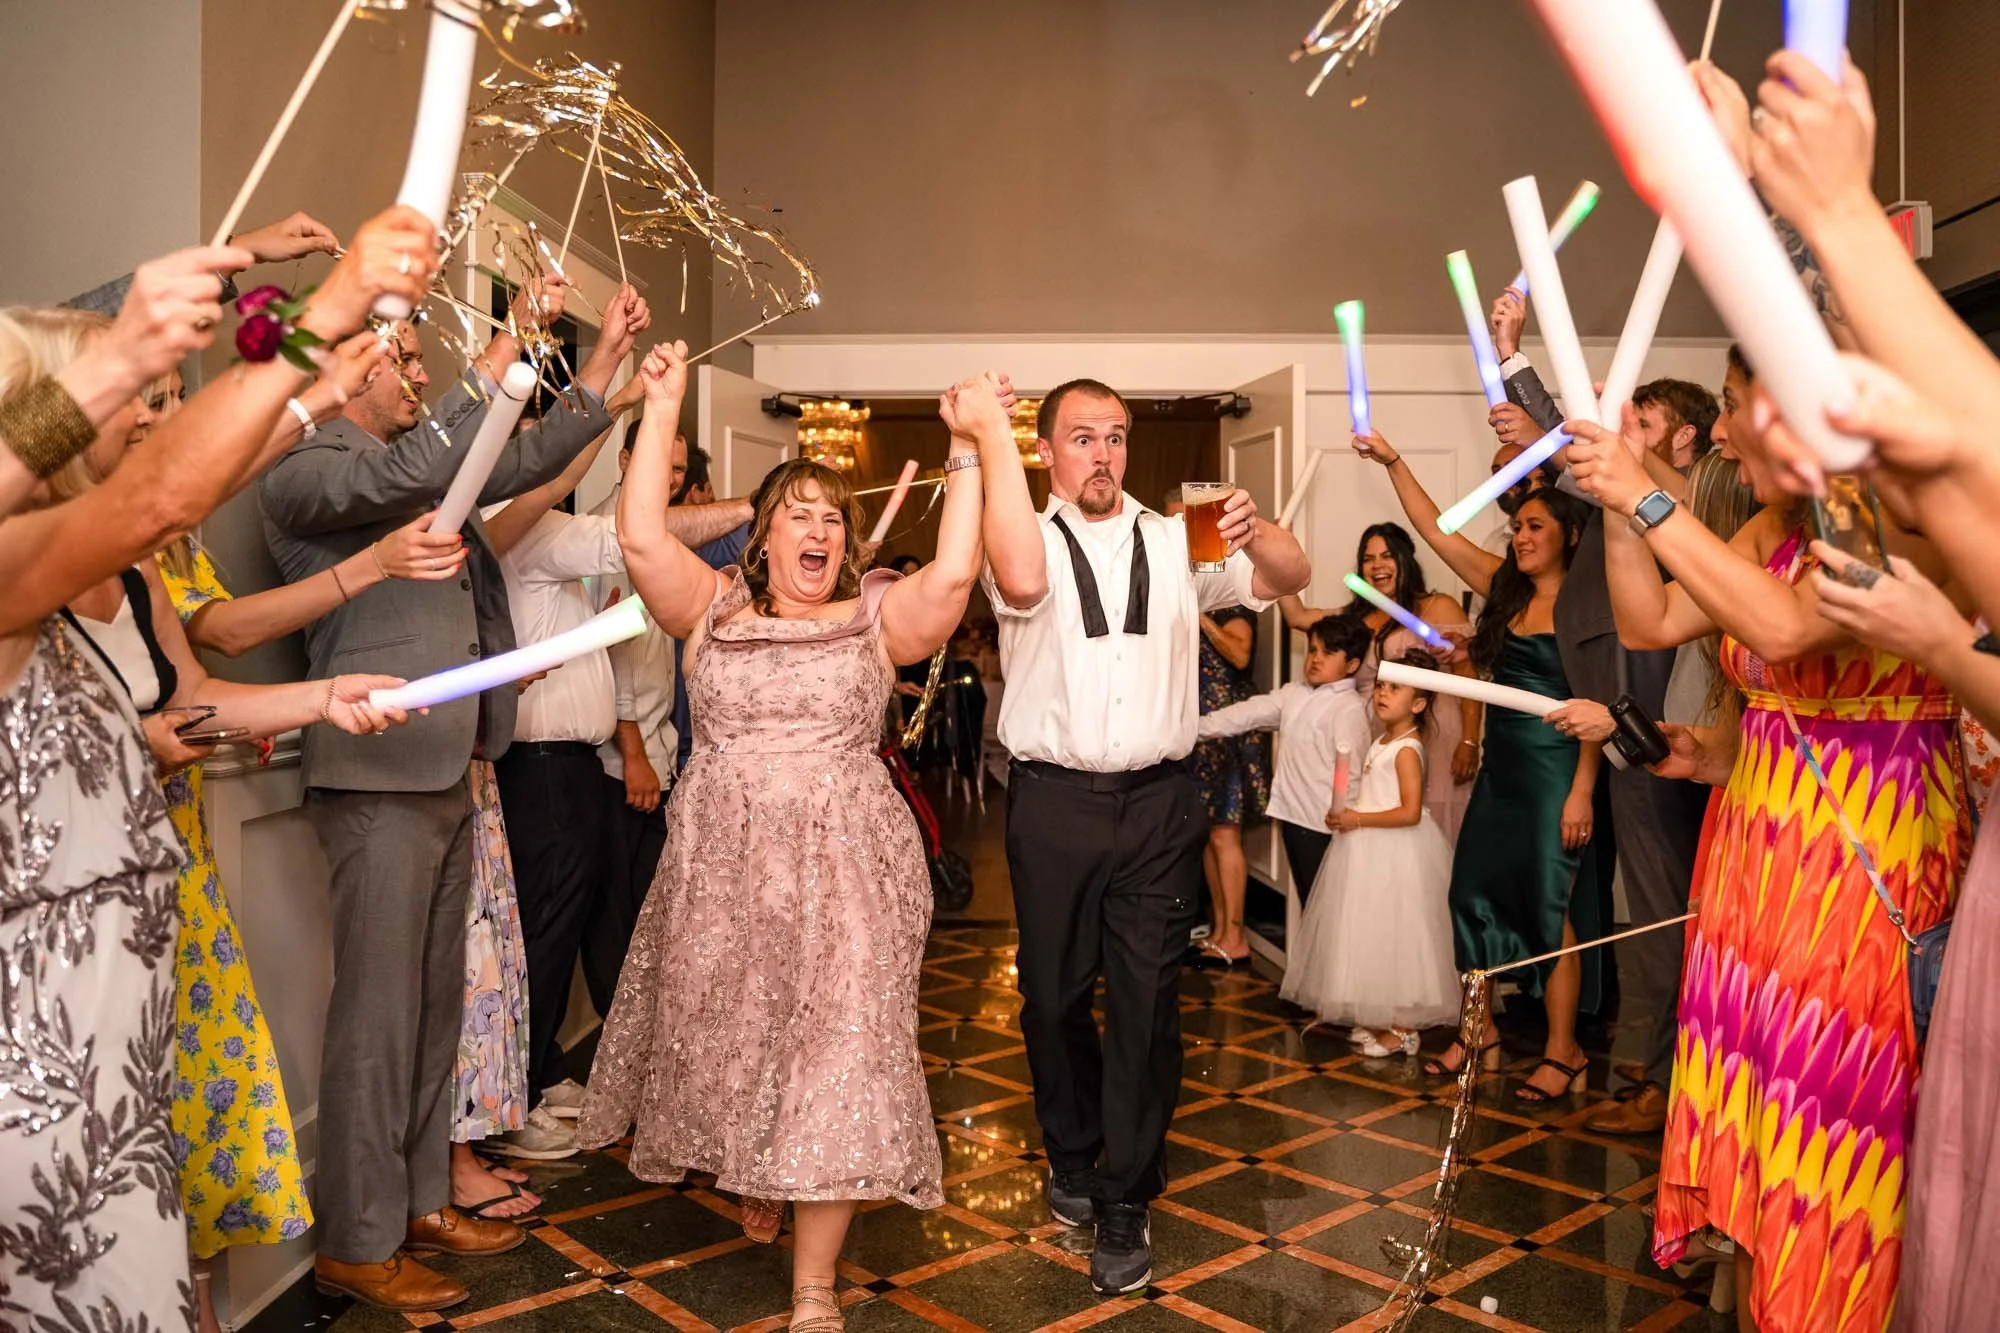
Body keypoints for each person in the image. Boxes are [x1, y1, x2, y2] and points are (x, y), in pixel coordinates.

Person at [0, 210, 433, 1331]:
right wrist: (321, 312)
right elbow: (169, 489)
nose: (147, 410)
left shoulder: (103, 579)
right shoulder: (13, 574)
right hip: (30, 1039)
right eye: (121, 392)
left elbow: (186, 511)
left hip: (123, 1026)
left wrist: (324, 696)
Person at [579, 348, 1009, 1330]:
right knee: (741, 1045)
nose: (818, 528)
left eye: (832, 516)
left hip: (849, 875)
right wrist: (663, 405)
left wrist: (968, 448)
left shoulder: (871, 617)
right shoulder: (713, 609)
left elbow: (954, 573)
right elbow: (640, 536)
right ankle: (761, 1166)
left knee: (840, 1055)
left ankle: (813, 1285)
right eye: (797, 515)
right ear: (760, 540)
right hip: (725, 876)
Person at [1564, 345, 1969, 1333]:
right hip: (1755, 842)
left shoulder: (1891, 520)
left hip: (1857, 848)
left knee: (1829, 1114)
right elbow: (1652, 617)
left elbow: (1785, 632)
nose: (1722, 433)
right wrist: (1620, 506)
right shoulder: (1773, 522)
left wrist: (1649, 499)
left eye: (1736, 408)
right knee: (1758, 1108)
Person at [258, 279, 630, 1307]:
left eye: (425, 360)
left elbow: (511, 457)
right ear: (347, 370)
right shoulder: (310, 473)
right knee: (376, 1020)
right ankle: (358, 1239)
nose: (420, 374)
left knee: (431, 1013)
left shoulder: (411, 474)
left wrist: (590, 373)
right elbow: (436, 459)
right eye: (406, 359)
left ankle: (422, 1199)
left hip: (454, 765)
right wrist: (501, 352)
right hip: (376, 776)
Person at [978, 376, 1309, 1295]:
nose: (1103, 455)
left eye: (1116, 437)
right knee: (1049, 999)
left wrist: (1259, 525)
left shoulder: (1178, 540)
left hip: (1163, 803)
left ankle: (1125, 1192)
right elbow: (1016, 583)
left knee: (1146, 1003)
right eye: (1082, 438)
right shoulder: (1020, 536)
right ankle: (1073, 1150)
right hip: (1052, 802)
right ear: (1046, 450)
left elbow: (1288, 578)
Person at [1353, 428, 1613, 1103]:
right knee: (1470, 893)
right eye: (1516, 526)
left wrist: (1583, 791)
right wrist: (1394, 460)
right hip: (1504, 768)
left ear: (1571, 535)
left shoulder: (1590, 603)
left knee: (1547, 908)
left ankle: (1565, 1049)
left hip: (1558, 771)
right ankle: (1480, 1032)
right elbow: (1434, 533)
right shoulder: (1505, 589)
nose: (1519, 535)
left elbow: (1594, 703)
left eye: (1533, 525)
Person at [1281, 653, 1458, 1056]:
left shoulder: (1408, 749)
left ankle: (1404, 1028)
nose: (1382, 692)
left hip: (1398, 852)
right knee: (1373, 933)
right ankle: (1381, 1015)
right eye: (1380, 684)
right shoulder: (1382, 741)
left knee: (1401, 936)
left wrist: (1357, 818)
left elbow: (1410, 812)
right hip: (1368, 848)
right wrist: (1344, 811)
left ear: (1418, 704)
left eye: (1395, 688)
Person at [1279, 522, 1479, 839]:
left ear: (1405, 561)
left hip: (1437, 733)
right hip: (1378, 737)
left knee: (1436, 827)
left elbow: (1468, 677)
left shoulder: (1436, 606)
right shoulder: (1354, 619)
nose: (1377, 566)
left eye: (1387, 556)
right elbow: (1297, 617)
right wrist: (1278, 555)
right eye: (1368, 559)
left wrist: (1469, 740)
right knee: (1387, 823)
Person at [1165, 490, 1273, 965]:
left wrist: (1199, 612)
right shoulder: (1174, 583)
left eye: (1183, 525)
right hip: (1193, 728)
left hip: (1226, 731)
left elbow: (1240, 654)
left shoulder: (1227, 591)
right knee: (1206, 831)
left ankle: (1236, 935)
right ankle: (1219, 930)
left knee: (1225, 833)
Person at [1197, 613, 1372, 906]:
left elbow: (1351, 770)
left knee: (1326, 908)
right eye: (1313, 649)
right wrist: (1190, 730)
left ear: (1351, 665)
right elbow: (1245, 714)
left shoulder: (1348, 708)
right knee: (1310, 902)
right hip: (1293, 818)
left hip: (1324, 826)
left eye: (1329, 653)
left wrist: (1344, 816)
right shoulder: (1296, 693)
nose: (1316, 659)